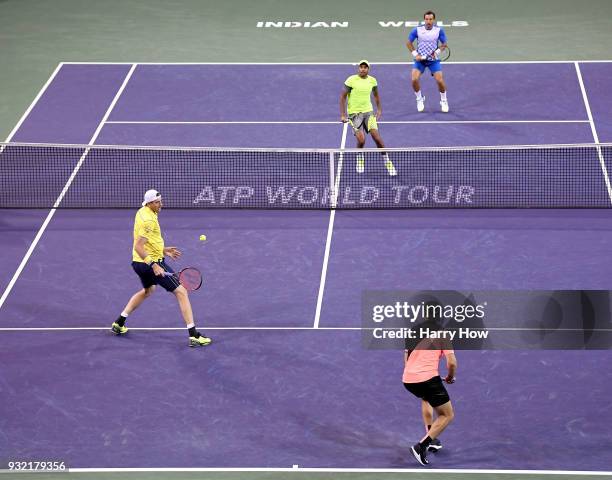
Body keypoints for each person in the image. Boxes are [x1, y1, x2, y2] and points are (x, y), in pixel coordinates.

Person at [111, 189, 211, 347]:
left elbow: (145, 241)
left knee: (148, 290)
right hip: (150, 263)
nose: (161, 205)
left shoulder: (143, 212)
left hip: (138, 263)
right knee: (181, 292)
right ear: (150, 203)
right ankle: (194, 335)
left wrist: (163, 250)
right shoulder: (149, 221)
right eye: (157, 202)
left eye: (160, 201)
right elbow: (138, 246)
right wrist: (154, 264)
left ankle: (119, 322)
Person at [403, 330, 457, 466]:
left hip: (408, 379)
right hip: (428, 379)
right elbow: (452, 363)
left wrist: (413, 372)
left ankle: (430, 436)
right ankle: (421, 446)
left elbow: (407, 355)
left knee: (426, 398)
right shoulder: (443, 335)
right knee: (447, 415)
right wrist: (450, 377)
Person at [340, 60, 397, 176]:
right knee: (361, 140)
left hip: (368, 113)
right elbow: (342, 97)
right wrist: (342, 114)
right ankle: (360, 158)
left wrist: (379, 109)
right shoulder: (351, 80)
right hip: (354, 114)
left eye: (365, 67)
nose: (363, 69)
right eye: (361, 67)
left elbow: (376, 96)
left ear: (368, 69)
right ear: (358, 69)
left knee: (377, 138)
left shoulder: (372, 80)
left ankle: (387, 161)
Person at [406, 11, 449, 113]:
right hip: (420, 60)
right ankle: (419, 98)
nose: (428, 21)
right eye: (426, 19)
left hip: (433, 60)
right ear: (424, 19)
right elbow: (408, 43)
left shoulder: (439, 30)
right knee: (414, 79)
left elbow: (444, 44)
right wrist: (416, 55)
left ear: (433, 20)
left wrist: (436, 52)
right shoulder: (417, 30)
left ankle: (443, 100)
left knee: (439, 80)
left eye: (430, 19)